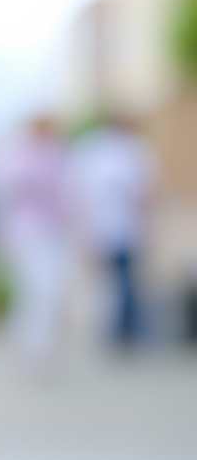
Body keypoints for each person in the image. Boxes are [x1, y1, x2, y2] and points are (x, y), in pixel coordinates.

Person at [67, 116, 156, 347]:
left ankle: (122, 332)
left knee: (122, 281)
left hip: (121, 227)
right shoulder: (102, 150)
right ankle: (117, 332)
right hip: (105, 227)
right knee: (114, 282)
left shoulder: (131, 150)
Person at [0, 115, 71, 367]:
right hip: (26, 233)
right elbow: (6, 189)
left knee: (49, 290)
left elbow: (68, 195)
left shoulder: (58, 154)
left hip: (53, 232)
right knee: (32, 290)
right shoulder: (17, 153)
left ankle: (40, 345)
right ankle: (29, 345)